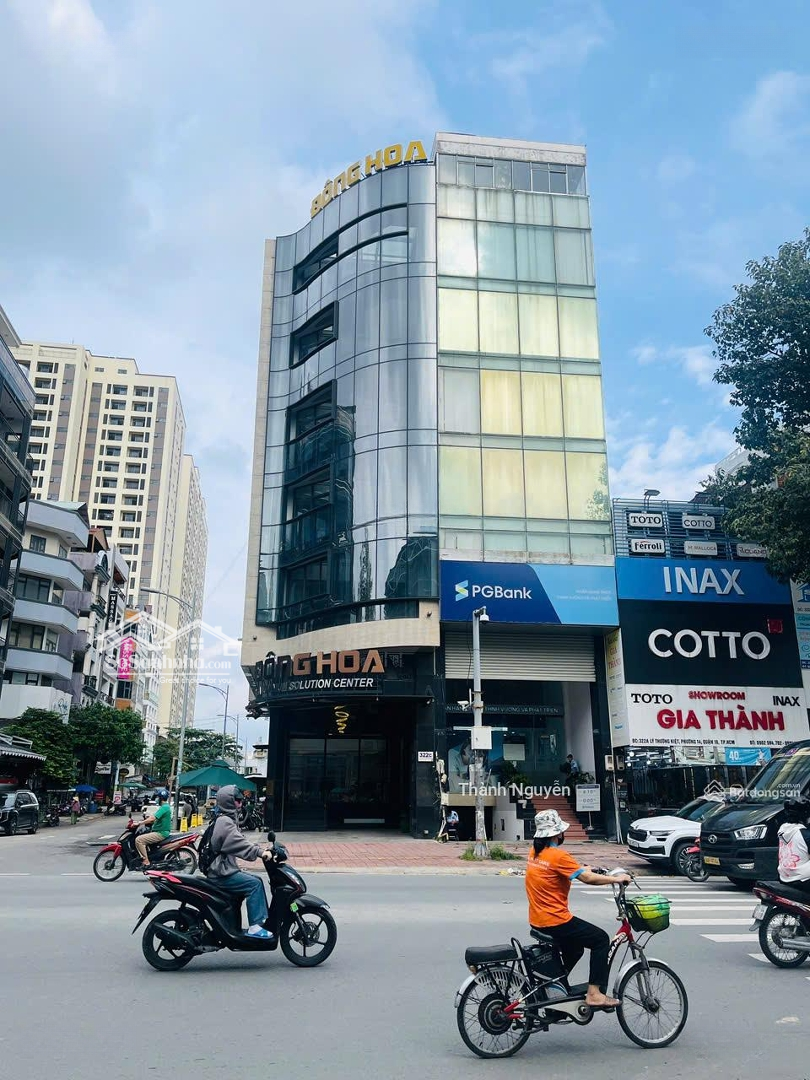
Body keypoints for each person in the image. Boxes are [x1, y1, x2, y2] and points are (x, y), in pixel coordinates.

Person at [525, 808, 631, 1009]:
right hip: (555, 920)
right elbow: (587, 878)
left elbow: (566, 870)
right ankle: (594, 994)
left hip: (537, 919)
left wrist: (582, 869)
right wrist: (616, 879)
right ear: (557, 833)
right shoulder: (557, 855)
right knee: (600, 940)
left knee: (575, 949)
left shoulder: (535, 853)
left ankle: (554, 987)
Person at [205, 785, 274, 939]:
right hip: (221, 873)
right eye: (237, 800)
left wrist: (261, 848)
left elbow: (241, 840)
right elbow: (238, 843)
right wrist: (260, 853)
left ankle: (255, 922)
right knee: (254, 884)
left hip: (222, 869)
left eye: (241, 800)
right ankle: (255, 927)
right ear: (228, 801)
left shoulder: (226, 819)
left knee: (255, 879)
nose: (240, 803)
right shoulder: (225, 822)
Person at [136, 792, 172, 869]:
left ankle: (146, 861)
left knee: (139, 840)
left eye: (158, 797)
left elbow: (152, 818)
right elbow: (153, 817)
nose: (157, 799)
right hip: (159, 831)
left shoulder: (164, 807)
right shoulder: (165, 807)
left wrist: (140, 823)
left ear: (161, 798)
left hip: (160, 833)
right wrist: (144, 821)